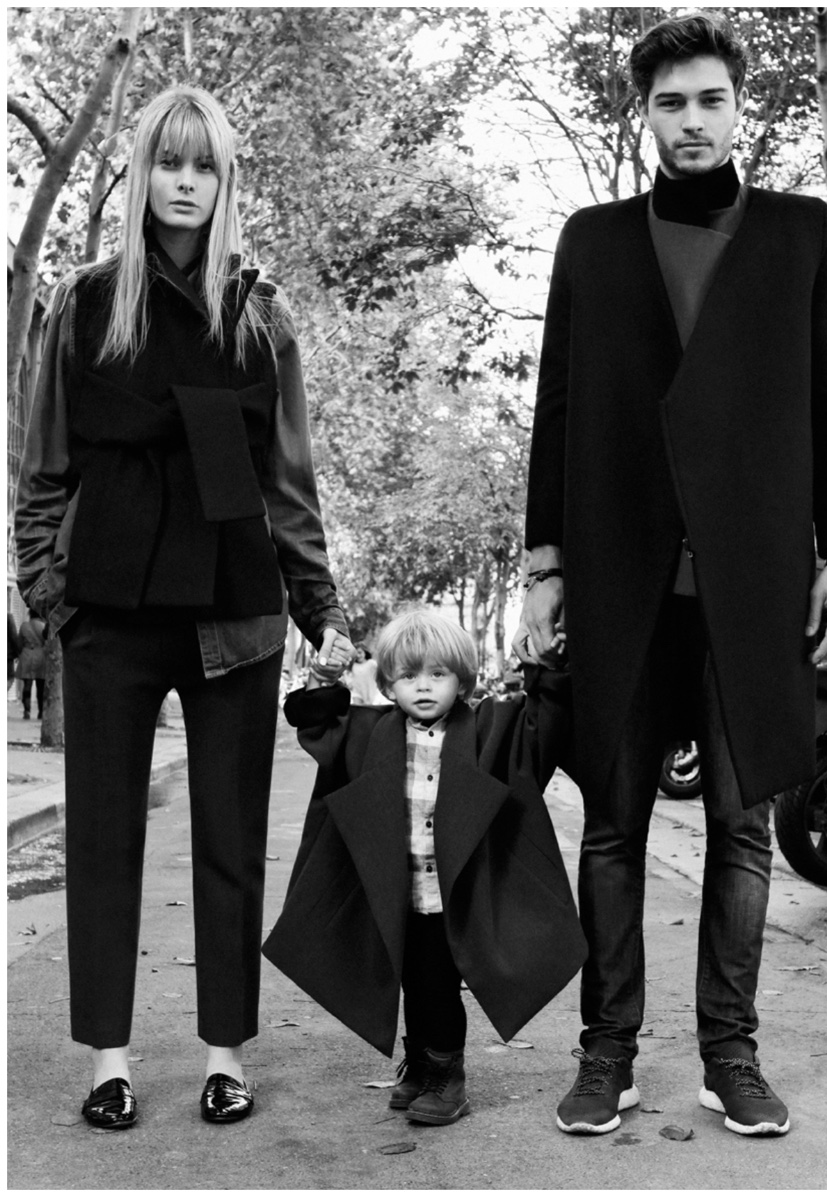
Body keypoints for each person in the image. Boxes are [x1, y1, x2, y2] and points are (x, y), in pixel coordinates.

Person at [519, 12, 827, 1139]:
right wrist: (543, 559)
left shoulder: (798, 233)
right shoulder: (592, 240)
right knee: (612, 826)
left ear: (738, 107)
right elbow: (556, 404)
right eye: (671, 102)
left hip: (755, 583)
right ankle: (606, 1053)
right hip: (620, 577)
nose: (693, 120)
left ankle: (731, 1054)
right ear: (647, 115)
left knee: (743, 828)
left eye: (712, 99)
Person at [15, 85, 353, 1130]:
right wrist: (48, 594)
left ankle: (224, 1055)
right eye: (169, 161)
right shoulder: (83, 305)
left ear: (226, 180)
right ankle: (109, 1061)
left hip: (235, 616)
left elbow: (288, 477)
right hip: (110, 612)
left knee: (229, 841)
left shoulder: (260, 316)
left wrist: (318, 603)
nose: (186, 182)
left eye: (205, 164)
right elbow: (43, 465)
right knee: (102, 840)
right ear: (142, 174)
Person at [263, 608, 587, 1126]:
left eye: (438, 673)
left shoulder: (490, 728)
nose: (423, 686)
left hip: (455, 893)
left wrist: (544, 665)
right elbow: (314, 720)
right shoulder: (369, 731)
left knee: (438, 985)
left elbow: (542, 723)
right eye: (409, 675)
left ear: (463, 679)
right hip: (399, 892)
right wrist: (324, 674)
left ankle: (447, 1075)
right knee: (414, 982)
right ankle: (419, 1064)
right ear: (388, 683)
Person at [15, 608, 46, 719]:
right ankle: (41, 712)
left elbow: (19, 644)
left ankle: (27, 710)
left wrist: (19, 654)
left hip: (27, 656)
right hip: (41, 657)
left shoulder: (24, 626)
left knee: (27, 685)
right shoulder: (43, 626)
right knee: (41, 686)